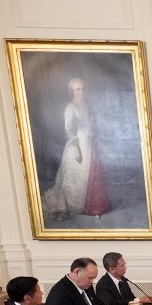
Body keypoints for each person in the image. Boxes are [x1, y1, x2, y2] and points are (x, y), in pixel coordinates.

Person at [41, 77, 110, 221]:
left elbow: (92, 124)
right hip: (78, 145)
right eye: (78, 89)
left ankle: (96, 207)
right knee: (76, 178)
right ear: (72, 91)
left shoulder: (86, 105)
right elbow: (69, 130)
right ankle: (81, 206)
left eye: (83, 88)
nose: (82, 91)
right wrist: (77, 148)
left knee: (94, 175)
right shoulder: (70, 107)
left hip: (90, 144)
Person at [45, 257, 113, 305]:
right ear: (77, 272)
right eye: (89, 278)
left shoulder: (86, 285)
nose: (92, 282)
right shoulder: (59, 292)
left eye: (93, 278)